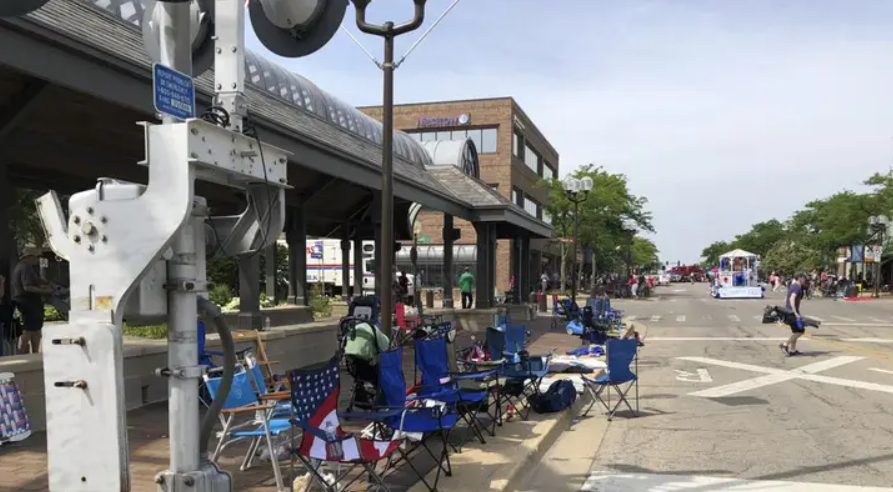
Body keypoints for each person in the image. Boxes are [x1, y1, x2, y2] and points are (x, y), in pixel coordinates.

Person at [11, 247, 53, 354]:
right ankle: (22, 352)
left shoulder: (23, 267)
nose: (38, 259)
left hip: (28, 302)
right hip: (28, 302)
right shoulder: (25, 267)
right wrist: (45, 291)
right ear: (30, 257)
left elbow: (36, 280)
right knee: (30, 329)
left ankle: (34, 353)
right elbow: (27, 287)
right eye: (37, 257)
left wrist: (46, 282)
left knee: (36, 329)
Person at [780, 272, 807, 356]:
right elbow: (792, 299)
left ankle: (793, 350)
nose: (805, 279)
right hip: (792, 313)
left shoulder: (793, 286)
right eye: (804, 278)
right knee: (800, 331)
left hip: (789, 311)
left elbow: (786, 298)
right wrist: (795, 313)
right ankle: (785, 345)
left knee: (796, 331)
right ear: (799, 278)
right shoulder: (797, 287)